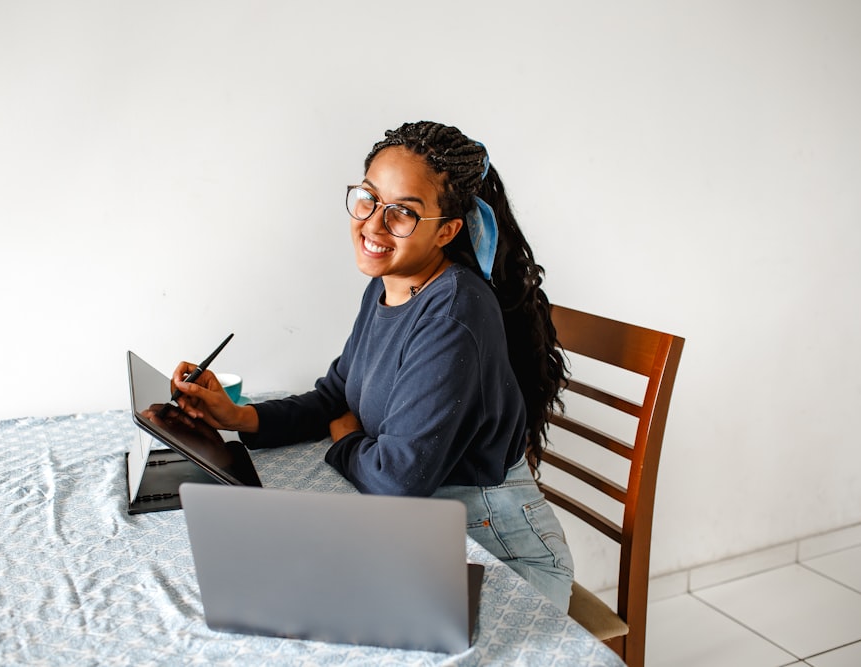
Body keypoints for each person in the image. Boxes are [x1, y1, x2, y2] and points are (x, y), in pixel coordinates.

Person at [170, 121, 575, 609]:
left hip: (497, 548)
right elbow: (335, 395)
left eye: (403, 212)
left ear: (447, 230)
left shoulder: (453, 313)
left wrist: (346, 441)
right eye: (368, 198)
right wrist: (238, 417)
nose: (374, 225)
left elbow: (396, 481)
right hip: (424, 529)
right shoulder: (389, 286)